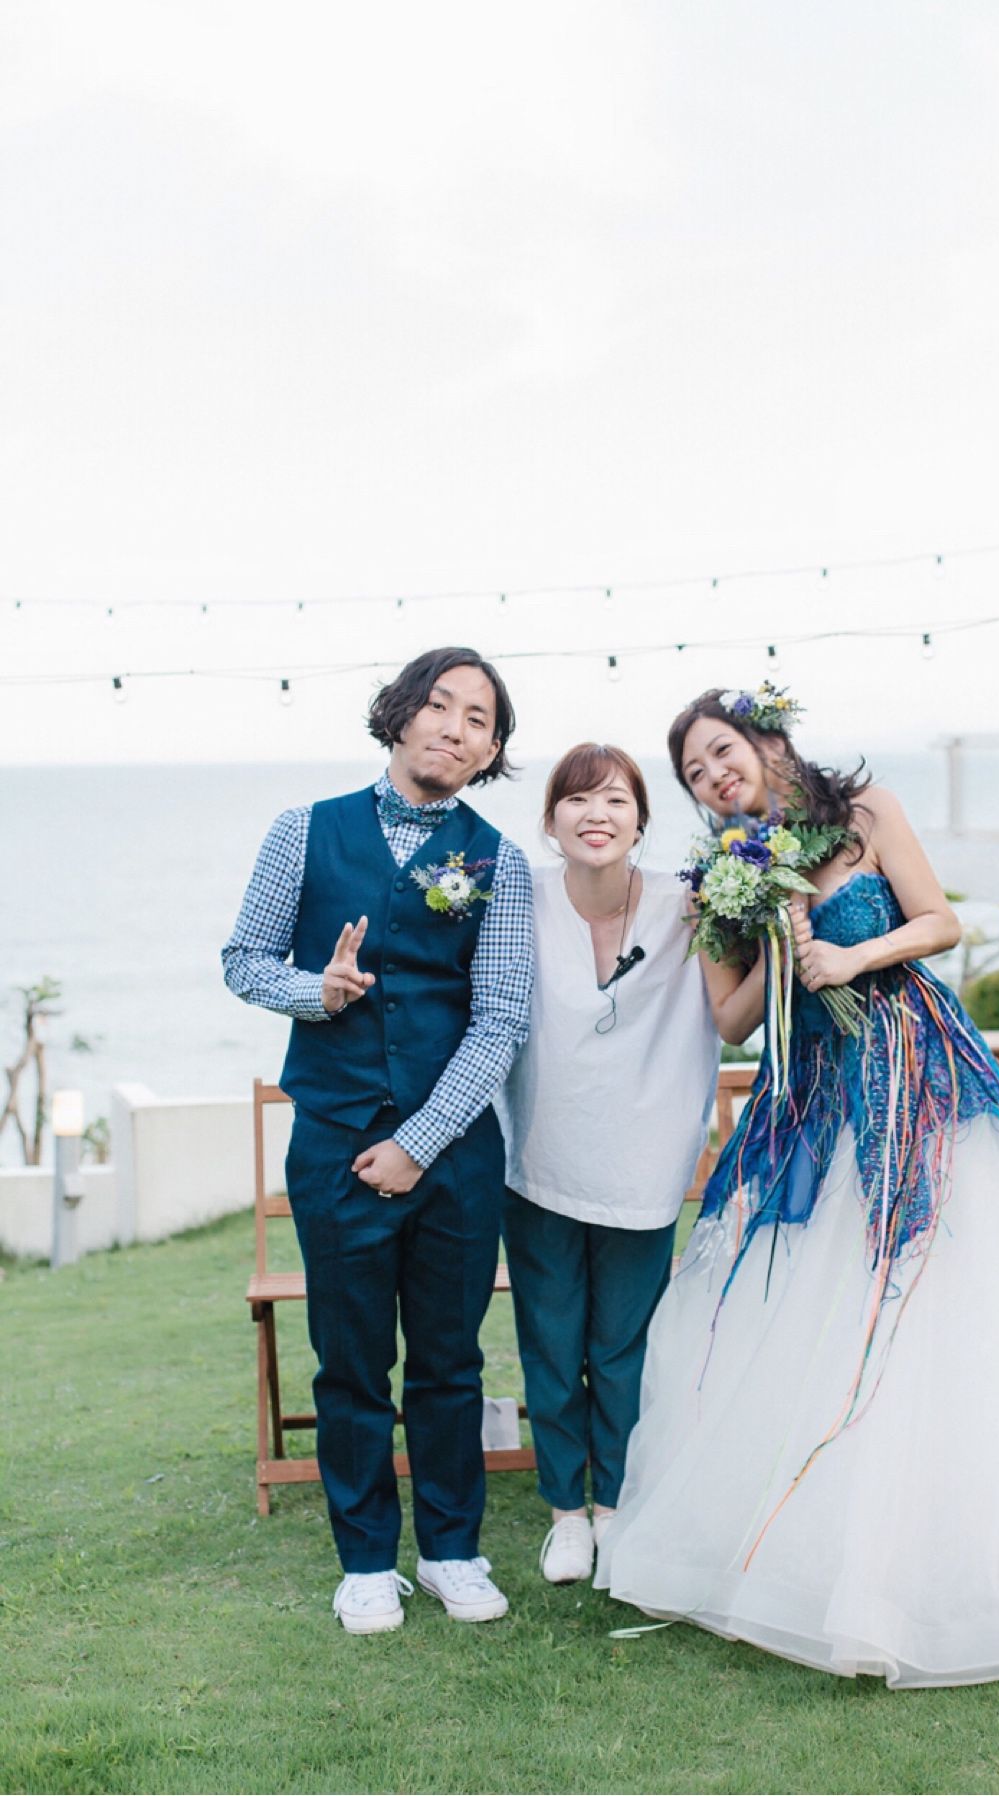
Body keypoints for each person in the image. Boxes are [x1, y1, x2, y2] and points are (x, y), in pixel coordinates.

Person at [596, 684, 999, 1686]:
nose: (713, 776)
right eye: (694, 772)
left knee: (947, 1287)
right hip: (816, 1096)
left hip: (919, 1071)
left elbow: (940, 921)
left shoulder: (866, 812)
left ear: (766, 739)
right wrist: (781, 939)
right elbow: (730, 1020)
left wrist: (852, 952)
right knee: (820, 1295)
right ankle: (816, 1523)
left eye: (721, 751)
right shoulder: (719, 880)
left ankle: (966, 1519)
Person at [222, 647, 533, 1635]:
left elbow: (501, 1019)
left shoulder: (499, 861)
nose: (455, 727)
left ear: (489, 751)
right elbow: (243, 959)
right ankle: (364, 1561)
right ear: (399, 715)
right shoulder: (303, 830)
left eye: (479, 719)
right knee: (349, 1362)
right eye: (440, 705)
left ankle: (451, 1550)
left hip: (453, 1156)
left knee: (447, 1361)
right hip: (334, 1141)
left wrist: (422, 1141)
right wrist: (315, 991)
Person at [501, 744, 719, 1584]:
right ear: (549, 820)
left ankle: (616, 1509)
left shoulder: (689, 903)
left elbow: (734, 1006)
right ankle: (566, 1513)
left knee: (624, 1347)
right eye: (578, 799)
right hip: (537, 1156)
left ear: (640, 821)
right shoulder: (514, 899)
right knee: (551, 1344)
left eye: (616, 800)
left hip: (643, 1163)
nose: (597, 814)